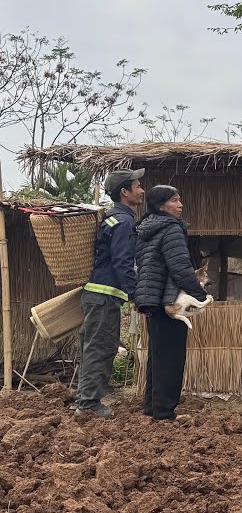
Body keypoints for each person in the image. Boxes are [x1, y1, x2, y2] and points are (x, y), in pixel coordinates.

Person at [133, 185, 209, 422]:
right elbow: (180, 268)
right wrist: (199, 294)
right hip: (169, 302)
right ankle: (165, 413)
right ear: (161, 206)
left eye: (180, 200)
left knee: (158, 356)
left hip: (151, 299)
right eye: (175, 201)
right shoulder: (172, 229)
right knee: (172, 358)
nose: (180, 205)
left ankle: (152, 407)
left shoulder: (146, 229)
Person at [75, 168, 146, 419]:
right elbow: (123, 263)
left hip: (95, 295)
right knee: (102, 348)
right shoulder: (125, 221)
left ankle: (84, 399)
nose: (142, 190)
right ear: (124, 192)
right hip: (105, 296)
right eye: (137, 186)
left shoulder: (112, 217)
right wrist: (137, 295)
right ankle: (88, 405)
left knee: (91, 347)